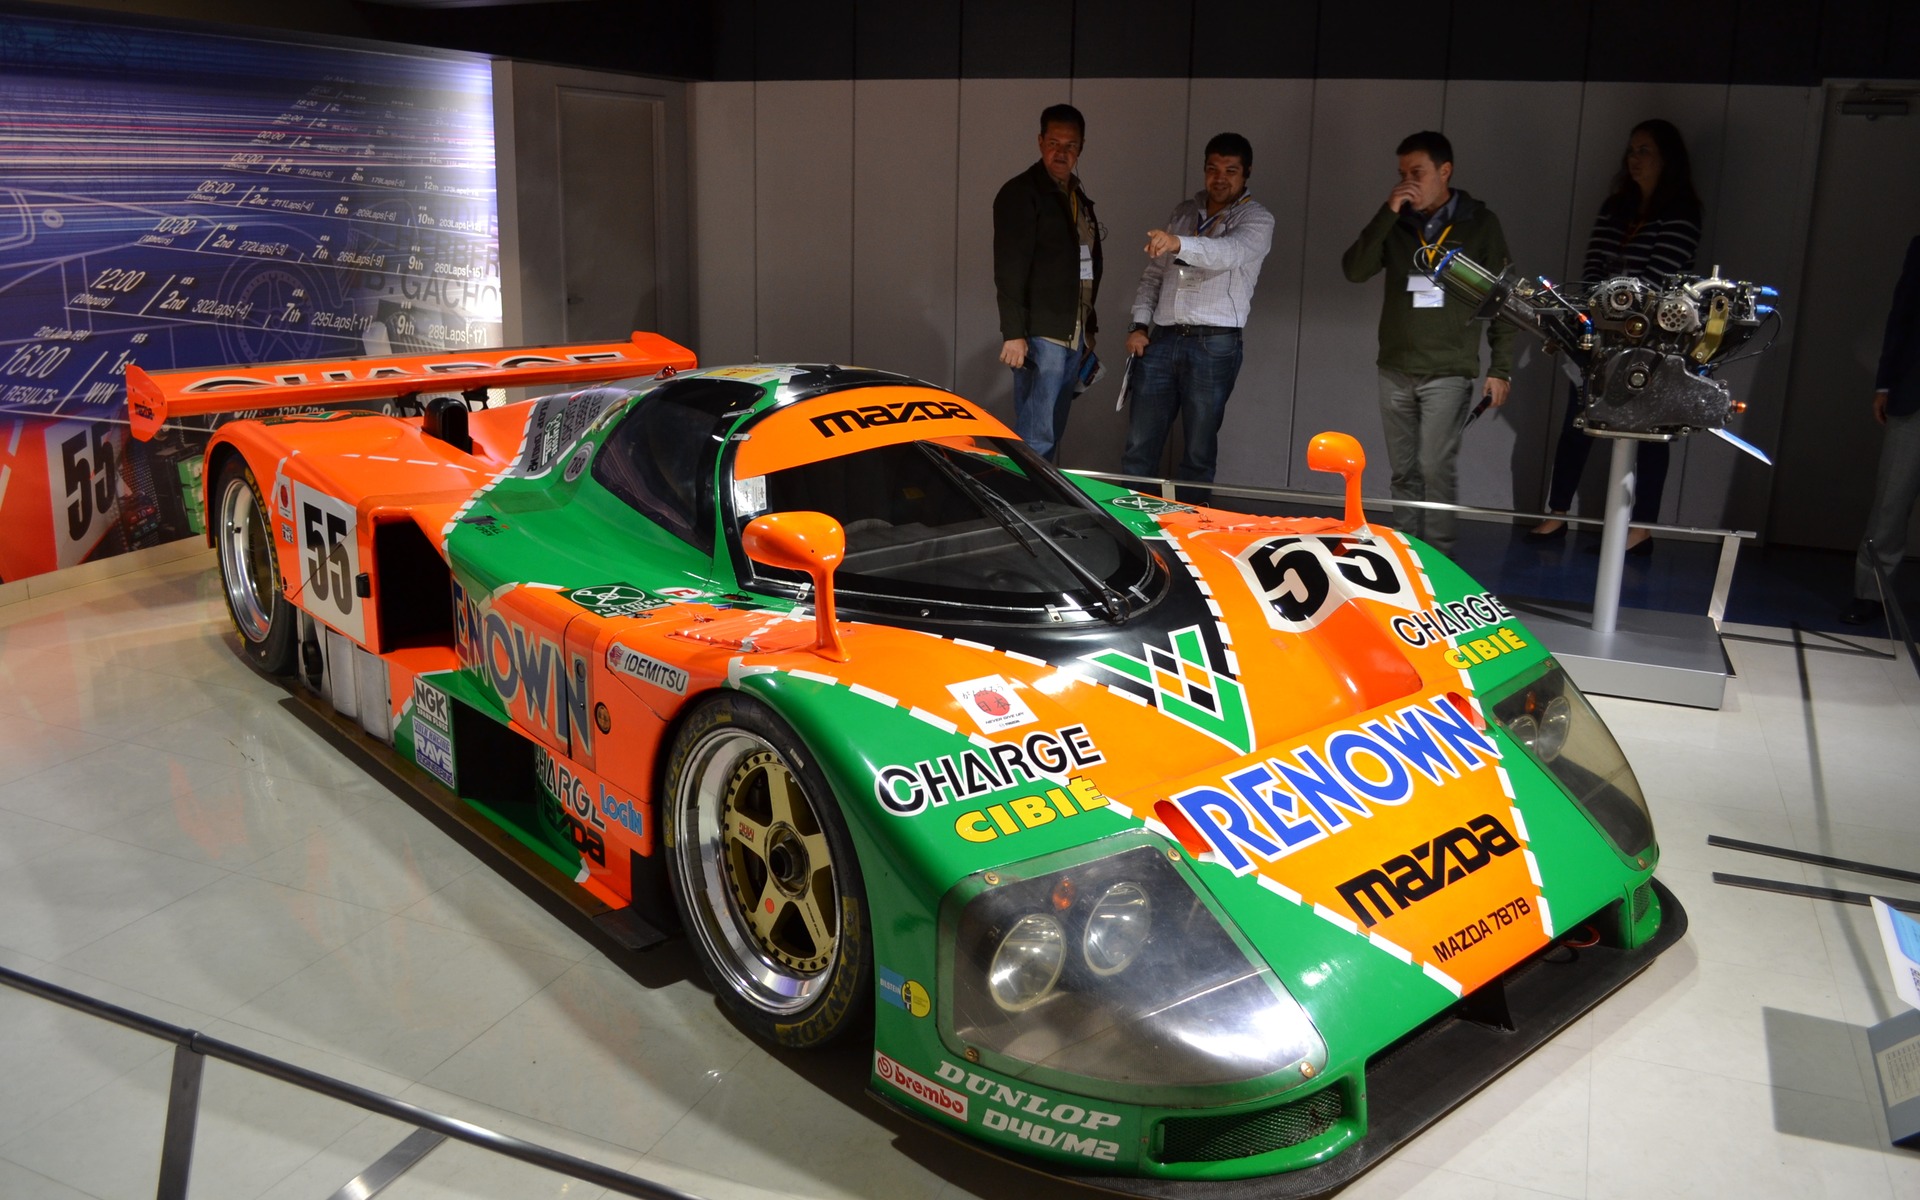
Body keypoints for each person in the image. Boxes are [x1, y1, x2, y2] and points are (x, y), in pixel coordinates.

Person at [1529, 120, 1703, 550]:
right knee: (1579, 420)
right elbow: (1593, 268)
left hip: (1651, 338)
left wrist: (1624, 311)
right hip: (1600, 332)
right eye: (1632, 150)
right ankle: (1556, 514)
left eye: (1645, 151)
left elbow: (1661, 277)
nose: (1634, 159)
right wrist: (1595, 313)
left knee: (1650, 429)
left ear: (1666, 159)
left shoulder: (1681, 210)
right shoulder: (1616, 207)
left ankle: (1640, 527)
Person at [1342, 131, 1513, 554]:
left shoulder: (1479, 224)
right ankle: (1409, 554)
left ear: (1444, 171)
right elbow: (1355, 269)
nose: (1407, 182)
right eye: (1401, 173)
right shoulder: (1397, 223)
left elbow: (1502, 299)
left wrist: (1501, 368)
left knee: (1434, 467)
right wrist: (1387, 211)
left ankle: (1439, 559)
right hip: (1396, 366)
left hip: (1449, 368)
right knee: (1403, 472)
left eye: (1416, 173)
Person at [1120, 132, 1275, 491]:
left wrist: (1178, 243)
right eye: (1212, 169)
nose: (1220, 178)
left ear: (1246, 173)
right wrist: (1138, 323)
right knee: (1139, 444)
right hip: (1162, 338)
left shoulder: (1257, 219)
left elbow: (1228, 253)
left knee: (1198, 452)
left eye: (1230, 170)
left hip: (1215, 344)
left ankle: (1192, 531)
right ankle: (1128, 526)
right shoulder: (1184, 212)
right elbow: (1153, 275)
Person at [993, 103, 1101, 462]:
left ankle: (1044, 509)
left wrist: (1090, 327)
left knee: (1052, 434)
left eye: (1070, 146)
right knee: (1036, 437)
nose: (1061, 152)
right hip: (1042, 334)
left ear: (1081, 148)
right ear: (1040, 142)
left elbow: (1084, 265)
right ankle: (1025, 511)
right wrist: (1013, 332)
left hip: (1074, 332)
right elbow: (1009, 267)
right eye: (1054, 142)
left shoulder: (1077, 197)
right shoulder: (1022, 193)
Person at [1841, 233, 1920, 626]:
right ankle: (1870, 592)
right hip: (1914, 391)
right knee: (1891, 499)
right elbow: (1902, 315)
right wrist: (1886, 383)